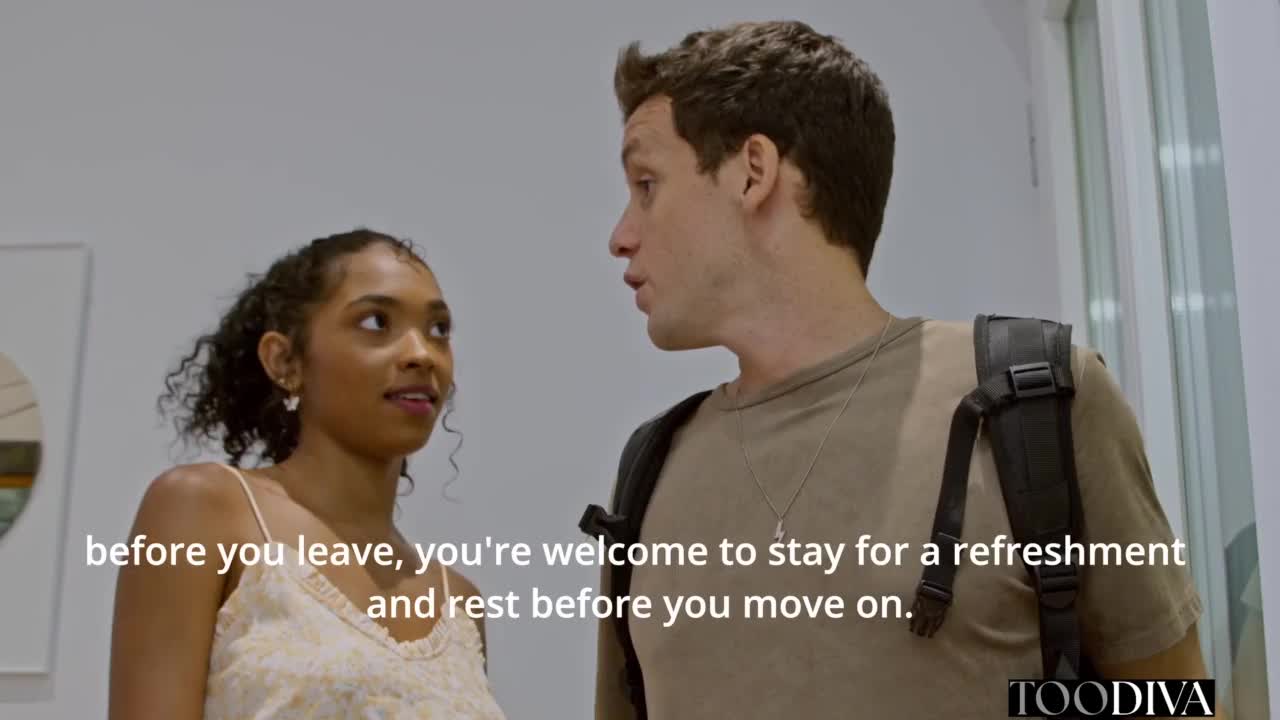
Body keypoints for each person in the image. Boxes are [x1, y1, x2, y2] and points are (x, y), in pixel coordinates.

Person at [595, 20, 1211, 719]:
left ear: (752, 172)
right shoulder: (649, 472)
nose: (621, 235)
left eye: (646, 184)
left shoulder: (1035, 402)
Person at [108, 230, 506, 719]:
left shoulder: (458, 602)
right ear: (285, 361)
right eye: (376, 322)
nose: (421, 353)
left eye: (438, 330)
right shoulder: (204, 510)